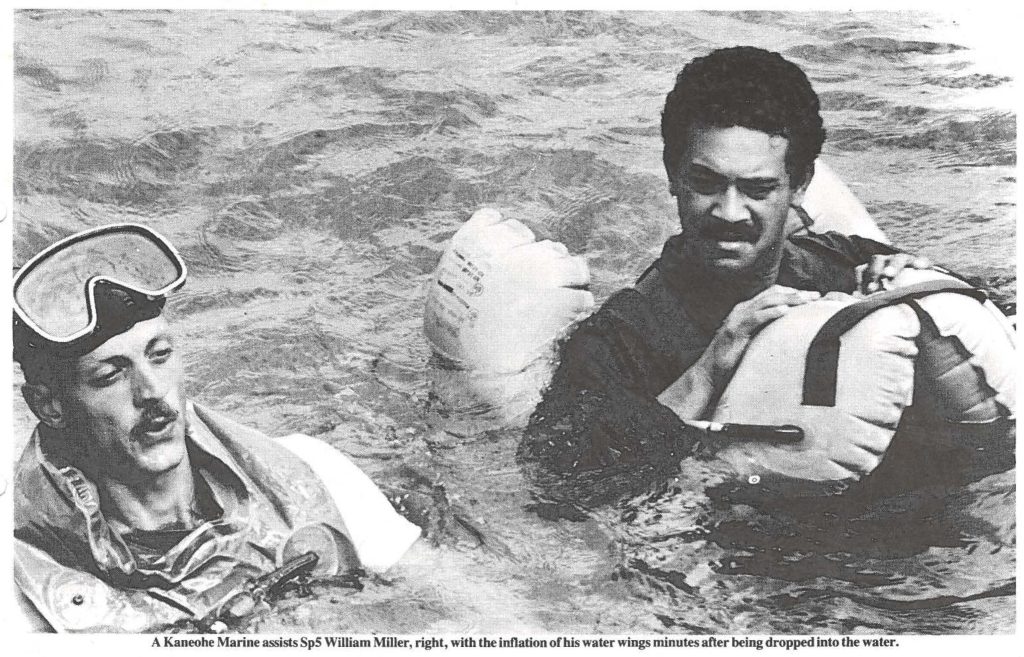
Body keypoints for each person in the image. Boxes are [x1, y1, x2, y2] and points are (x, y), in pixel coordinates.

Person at [518, 47, 931, 508]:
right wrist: (709, 369)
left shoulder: (838, 266)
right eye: (706, 183)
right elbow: (554, 484)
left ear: (800, 186)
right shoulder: (618, 340)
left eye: (757, 189)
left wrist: (914, 283)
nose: (730, 213)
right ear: (673, 175)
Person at [12, 224, 421, 632]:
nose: (153, 392)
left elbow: (450, 608)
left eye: (160, 355)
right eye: (110, 375)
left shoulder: (311, 471)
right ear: (49, 406)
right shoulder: (22, 586)